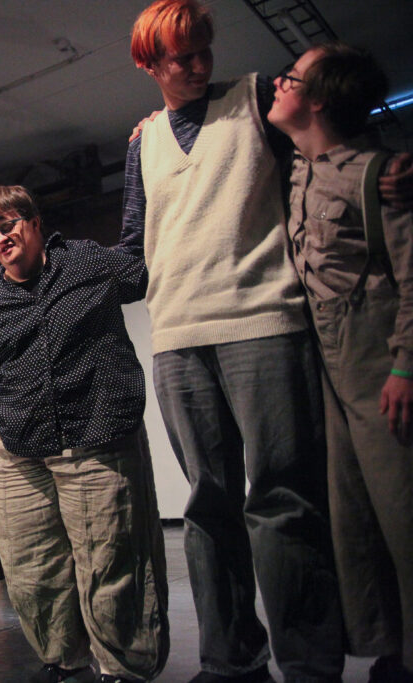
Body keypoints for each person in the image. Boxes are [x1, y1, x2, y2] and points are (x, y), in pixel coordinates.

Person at [123, 2, 348, 680]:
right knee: (206, 506)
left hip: (264, 322)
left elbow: (324, 146)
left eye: (203, 49)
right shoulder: (142, 142)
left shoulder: (255, 98)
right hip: (177, 337)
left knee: (283, 500)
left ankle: (310, 664)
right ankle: (230, 659)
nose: (199, 64)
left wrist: (374, 171)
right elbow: (133, 248)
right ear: (149, 64)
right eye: (181, 56)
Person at [0, 185, 168, 683]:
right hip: (20, 449)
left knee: (111, 563)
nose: (0, 239)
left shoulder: (86, 261)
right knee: (33, 570)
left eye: (7, 226)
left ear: (33, 221)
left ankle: (122, 670)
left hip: (96, 436)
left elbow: (143, 270)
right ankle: (64, 663)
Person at [267, 42, 413, 683]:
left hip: (381, 368)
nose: (278, 84)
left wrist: (406, 368)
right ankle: (390, 650)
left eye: (292, 78)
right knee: (356, 523)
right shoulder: (297, 169)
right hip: (331, 374)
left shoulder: (378, 173)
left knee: (404, 515)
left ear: (320, 99)